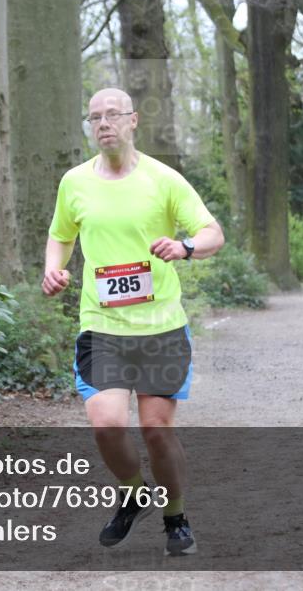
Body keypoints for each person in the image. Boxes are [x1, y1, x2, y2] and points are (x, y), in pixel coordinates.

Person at [42, 87, 224, 556]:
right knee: (105, 423)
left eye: (112, 115)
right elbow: (60, 235)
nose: (103, 123)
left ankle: (176, 517)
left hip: (160, 326)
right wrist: (53, 268)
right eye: (94, 117)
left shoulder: (164, 180)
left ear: (133, 121)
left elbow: (211, 233)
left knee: (156, 431)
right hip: (101, 325)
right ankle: (133, 490)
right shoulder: (75, 182)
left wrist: (184, 247)